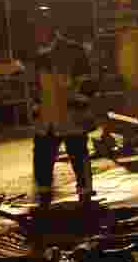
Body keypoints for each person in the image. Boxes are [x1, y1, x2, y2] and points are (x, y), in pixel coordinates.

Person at [33, 29, 98, 209]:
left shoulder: (72, 51)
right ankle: (44, 195)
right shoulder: (39, 55)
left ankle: (85, 194)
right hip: (48, 119)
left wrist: (79, 105)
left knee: (77, 155)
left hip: (71, 117)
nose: (38, 36)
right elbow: (38, 87)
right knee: (42, 157)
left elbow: (87, 83)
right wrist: (37, 108)